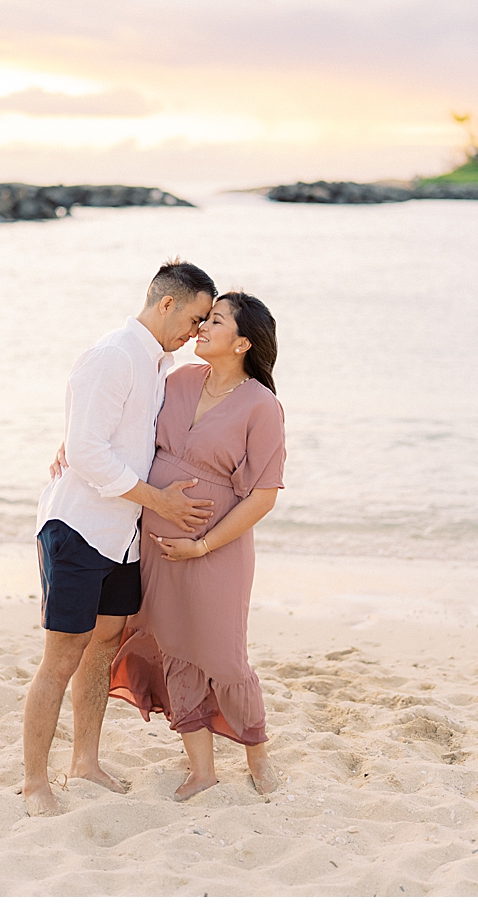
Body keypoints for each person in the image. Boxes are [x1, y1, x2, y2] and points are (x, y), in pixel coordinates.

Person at [23, 260, 219, 817]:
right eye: (196, 317)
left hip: (123, 536)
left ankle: (85, 760)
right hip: (79, 528)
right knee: (61, 657)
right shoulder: (113, 356)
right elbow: (86, 450)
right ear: (167, 304)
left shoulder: (158, 364)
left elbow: (118, 440)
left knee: (104, 645)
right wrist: (162, 502)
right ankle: (35, 782)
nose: (197, 331)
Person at [108, 291, 287, 800]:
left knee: (224, 657)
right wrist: (74, 442)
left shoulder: (261, 405)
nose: (201, 327)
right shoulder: (178, 381)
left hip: (218, 551)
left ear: (243, 343)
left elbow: (264, 496)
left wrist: (204, 545)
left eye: (216, 321)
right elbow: (125, 425)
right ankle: (202, 770)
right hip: (158, 542)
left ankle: (258, 757)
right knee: (175, 649)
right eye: (204, 318)